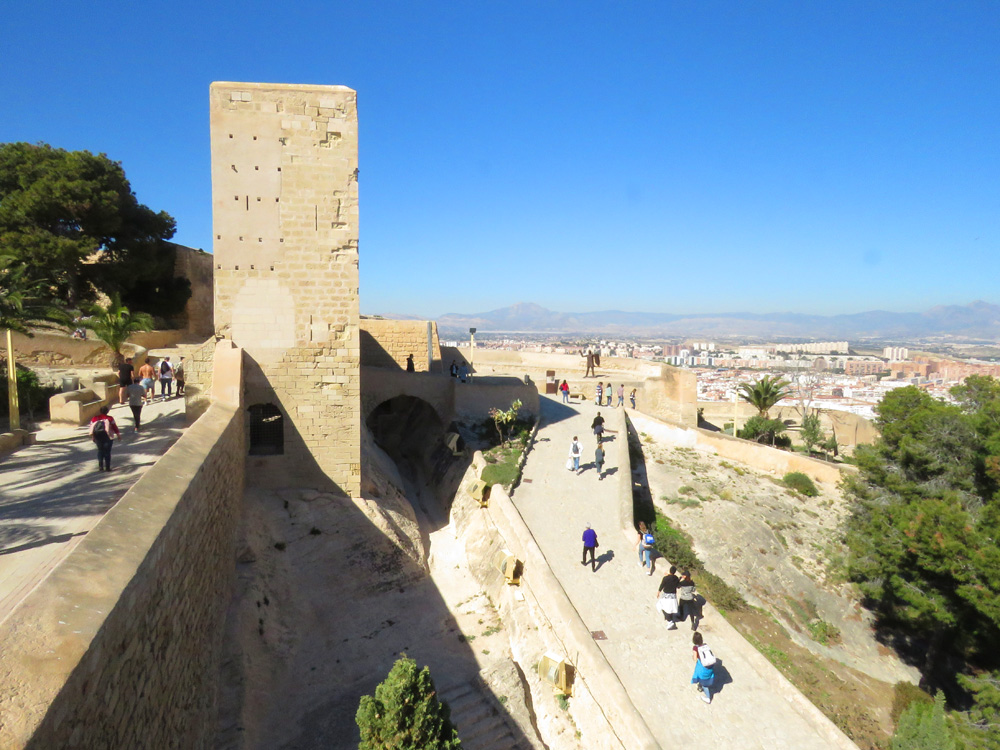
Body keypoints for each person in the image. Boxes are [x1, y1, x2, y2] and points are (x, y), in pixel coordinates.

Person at [89, 405, 120, 472]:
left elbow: (92, 427)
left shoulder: (94, 418)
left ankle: (100, 466)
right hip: (107, 436)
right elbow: (114, 427)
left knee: (100, 451)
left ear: (100, 411)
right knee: (107, 452)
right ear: (107, 411)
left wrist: (93, 436)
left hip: (98, 436)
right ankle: (107, 467)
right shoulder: (110, 418)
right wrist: (118, 434)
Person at [691, 632, 716, 704]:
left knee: (704, 681)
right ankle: (701, 686)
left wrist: (693, 656)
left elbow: (695, 659)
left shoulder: (695, 648)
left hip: (703, 667)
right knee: (706, 677)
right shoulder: (705, 645)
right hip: (710, 666)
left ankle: (708, 697)